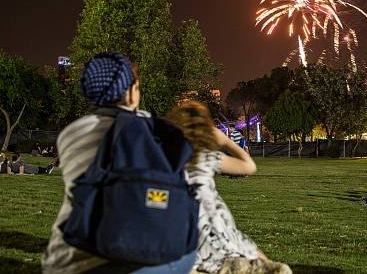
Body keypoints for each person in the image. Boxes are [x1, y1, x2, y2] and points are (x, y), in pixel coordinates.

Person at [42, 52, 196, 274]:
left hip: (67, 259)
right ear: (132, 91)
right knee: (188, 248)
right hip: (129, 258)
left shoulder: (70, 134)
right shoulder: (152, 129)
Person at [167, 100, 291, 274]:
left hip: (185, 236)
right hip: (216, 231)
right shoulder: (205, 157)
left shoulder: (165, 157)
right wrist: (225, 141)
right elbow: (249, 166)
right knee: (267, 263)